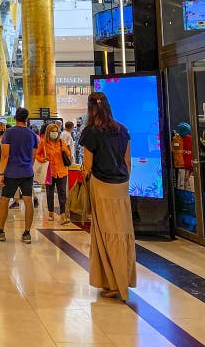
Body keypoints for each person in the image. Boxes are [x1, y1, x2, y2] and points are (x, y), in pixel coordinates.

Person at [79, 92, 136, 301]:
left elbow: (88, 166)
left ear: (90, 108)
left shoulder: (91, 133)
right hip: (121, 187)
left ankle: (113, 283)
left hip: (101, 186)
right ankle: (122, 281)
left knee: (105, 234)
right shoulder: (122, 130)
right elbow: (127, 163)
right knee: (122, 233)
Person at [0, 107, 37, 243]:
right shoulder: (32, 135)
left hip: (11, 172)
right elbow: (33, 156)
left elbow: (5, 155)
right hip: (27, 171)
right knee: (28, 201)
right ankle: (27, 233)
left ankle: (0, 231)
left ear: (15, 118)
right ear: (27, 119)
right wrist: (28, 166)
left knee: (4, 200)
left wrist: (1, 173)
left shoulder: (9, 133)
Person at [36, 123, 72, 224]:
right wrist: (43, 159)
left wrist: (66, 151)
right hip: (49, 172)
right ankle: (51, 213)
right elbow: (37, 155)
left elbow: (68, 154)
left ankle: (63, 215)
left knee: (62, 193)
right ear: (48, 132)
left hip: (62, 171)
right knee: (49, 193)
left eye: (56, 131)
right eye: (52, 131)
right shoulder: (43, 142)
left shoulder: (61, 142)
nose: (54, 133)